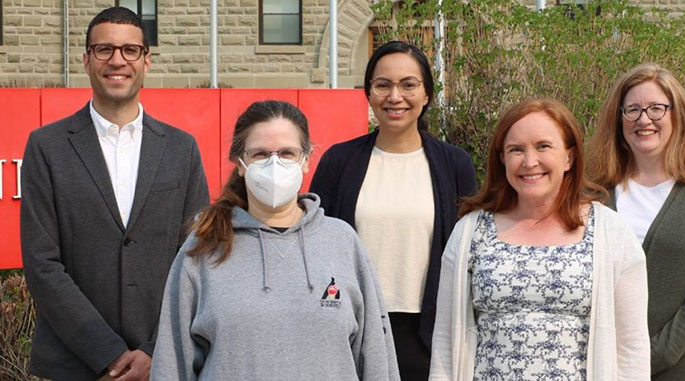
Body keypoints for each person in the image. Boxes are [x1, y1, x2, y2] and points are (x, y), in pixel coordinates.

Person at [19, 7, 209, 381]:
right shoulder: (47, 146)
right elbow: (42, 263)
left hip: (163, 362)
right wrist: (108, 353)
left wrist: (155, 351)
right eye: (104, 49)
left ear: (146, 60)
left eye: (130, 50)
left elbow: (196, 257)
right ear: (86, 59)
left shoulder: (181, 148)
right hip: (73, 363)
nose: (117, 60)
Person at [150, 100, 400, 380]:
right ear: (241, 164)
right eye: (260, 154)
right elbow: (172, 364)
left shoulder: (342, 242)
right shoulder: (205, 246)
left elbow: (376, 358)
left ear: (305, 161)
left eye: (287, 153)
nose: (274, 164)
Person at [430, 98, 650, 380]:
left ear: (569, 157)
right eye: (516, 150)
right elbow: (446, 342)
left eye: (543, 146)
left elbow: (631, 349)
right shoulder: (470, 232)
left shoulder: (611, 233)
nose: (529, 161)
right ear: (502, 159)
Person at [309, 41, 478, 380]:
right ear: (369, 93)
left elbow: (472, 247)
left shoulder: (454, 163)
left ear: (427, 94)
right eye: (383, 85)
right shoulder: (339, 161)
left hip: (428, 329)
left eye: (408, 84)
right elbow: (314, 242)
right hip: (355, 324)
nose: (395, 96)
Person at [587, 63, 685, 380]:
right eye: (632, 110)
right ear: (619, 120)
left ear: (677, 115)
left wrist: (654, 356)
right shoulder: (595, 193)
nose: (644, 119)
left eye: (657, 108)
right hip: (608, 367)